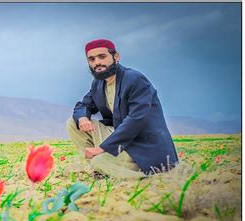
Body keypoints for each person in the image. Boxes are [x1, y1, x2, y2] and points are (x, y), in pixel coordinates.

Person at [66, 39, 178, 178]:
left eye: (102, 57)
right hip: (121, 141)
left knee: (99, 161)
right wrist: (83, 118)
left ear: (116, 57)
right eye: (92, 59)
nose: (97, 63)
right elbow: (84, 105)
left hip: (143, 145)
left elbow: (136, 119)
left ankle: (146, 177)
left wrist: (101, 149)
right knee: (74, 122)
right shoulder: (98, 83)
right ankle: (101, 168)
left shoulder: (134, 79)